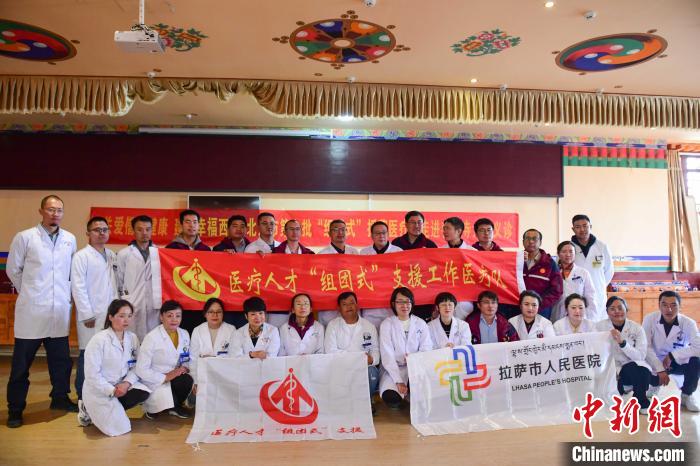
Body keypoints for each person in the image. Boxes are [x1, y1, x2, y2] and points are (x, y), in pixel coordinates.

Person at [6, 195, 78, 428]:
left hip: (58, 312)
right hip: (32, 312)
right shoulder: (25, 237)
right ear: (41, 211)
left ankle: (60, 398)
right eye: (51, 209)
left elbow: (70, 274)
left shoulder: (70, 239)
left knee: (61, 363)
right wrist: (31, 291)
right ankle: (15, 409)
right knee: (21, 367)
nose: (55, 214)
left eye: (59, 210)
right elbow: (13, 270)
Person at [80, 299, 150, 436]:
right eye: (121, 316)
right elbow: (92, 375)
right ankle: (87, 409)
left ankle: (114, 409)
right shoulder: (98, 340)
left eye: (129, 316)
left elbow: (137, 366)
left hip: (121, 385)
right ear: (110, 317)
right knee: (121, 428)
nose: (126, 320)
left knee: (143, 392)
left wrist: (126, 383)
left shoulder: (132, 338)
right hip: (100, 390)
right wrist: (111, 390)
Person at [71, 216, 118, 408]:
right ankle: (82, 396)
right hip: (91, 316)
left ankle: (103, 393)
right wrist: (86, 313)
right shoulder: (81, 256)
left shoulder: (112, 255)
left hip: (110, 314)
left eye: (105, 229)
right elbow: (78, 287)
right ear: (88, 233)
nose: (101, 233)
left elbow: (115, 285)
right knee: (88, 354)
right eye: (97, 230)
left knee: (106, 353)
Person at [135, 300, 193, 419]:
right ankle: (154, 407)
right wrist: (165, 377)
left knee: (187, 380)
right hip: (156, 381)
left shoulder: (184, 334)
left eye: (178, 316)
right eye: (170, 316)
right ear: (161, 317)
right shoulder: (151, 338)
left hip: (175, 377)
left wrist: (184, 368)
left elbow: (186, 358)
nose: (174, 319)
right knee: (157, 406)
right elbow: (141, 369)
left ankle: (174, 407)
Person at [643, 291, 700, 412]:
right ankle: (653, 388)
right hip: (656, 360)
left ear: (680, 306)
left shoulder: (688, 323)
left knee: (696, 361)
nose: (669, 309)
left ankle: (686, 395)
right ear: (659, 306)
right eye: (664, 305)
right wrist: (660, 368)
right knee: (643, 361)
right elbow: (645, 347)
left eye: (673, 305)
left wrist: (672, 355)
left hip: (678, 361)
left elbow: (698, 348)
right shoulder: (649, 319)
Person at [324, 292, 380, 412]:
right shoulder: (333, 325)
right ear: (339, 308)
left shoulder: (369, 326)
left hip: (363, 367)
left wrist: (371, 359)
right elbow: (330, 351)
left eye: (351, 303)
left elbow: (376, 351)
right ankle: (346, 403)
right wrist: (356, 357)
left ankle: (366, 403)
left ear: (357, 305)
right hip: (341, 367)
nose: (349, 307)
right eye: (344, 304)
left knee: (372, 371)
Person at [379, 287, 433, 409]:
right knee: (391, 397)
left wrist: (414, 358)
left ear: (412, 303)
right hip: (394, 368)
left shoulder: (420, 323)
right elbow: (387, 354)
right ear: (393, 304)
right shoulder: (387, 324)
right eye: (400, 302)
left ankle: (411, 394)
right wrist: (398, 381)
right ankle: (403, 394)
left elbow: (427, 348)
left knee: (422, 393)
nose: (404, 305)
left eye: (407, 301)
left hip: (416, 366)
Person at [596, 296, 652, 413]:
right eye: (612, 309)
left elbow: (640, 356)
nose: (617, 311)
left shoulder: (637, 328)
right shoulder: (598, 327)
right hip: (608, 369)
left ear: (626, 309)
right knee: (609, 401)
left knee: (642, 370)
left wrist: (623, 343)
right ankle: (623, 387)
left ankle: (641, 401)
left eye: (620, 308)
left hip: (629, 367)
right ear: (607, 312)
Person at [117, 215, 160, 341]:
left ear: (152, 230)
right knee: (132, 340)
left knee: (152, 341)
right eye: (140, 229)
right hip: (132, 302)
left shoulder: (159, 253)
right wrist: (123, 300)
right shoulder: (124, 254)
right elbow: (119, 281)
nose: (144, 233)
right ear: (133, 231)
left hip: (153, 304)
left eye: (148, 229)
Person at [189, 298, 236, 403]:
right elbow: (193, 359)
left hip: (224, 374)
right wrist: (195, 381)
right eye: (211, 312)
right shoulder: (197, 330)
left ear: (223, 314)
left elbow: (234, 357)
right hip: (203, 375)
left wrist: (212, 359)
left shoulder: (231, 330)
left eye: (219, 312)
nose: (215, 315)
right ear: (205, 314)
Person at [360, 221, 402, 329]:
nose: (381, 236)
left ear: (388, 234)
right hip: (371, 306)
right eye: (377, 233)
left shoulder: (398, 252)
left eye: (384, 233)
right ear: (372, 235)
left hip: (391, 306)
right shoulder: (363, 253)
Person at [571, 215, 614, 320]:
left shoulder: (602, 247)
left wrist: (598, 285)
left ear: (590, 226)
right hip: (575, 293)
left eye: (585, 226)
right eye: (578, 227)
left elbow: (609, 271)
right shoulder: (568, 248)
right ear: (573, 229)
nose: (582, 229)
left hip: (598, 294)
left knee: (597, 324)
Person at [318, 219, 360, 325]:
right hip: (329, 304)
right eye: (336, 230)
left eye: (343, 229)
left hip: (349, 300)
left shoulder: (354, 252)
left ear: (347, 232)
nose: (340, 233)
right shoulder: (322, 255)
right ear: (329, 233)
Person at [521, 228, 563, 320]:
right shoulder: (516, 261)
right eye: (527, 238)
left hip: (541, 311)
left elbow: (557, 290)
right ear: (523, 242)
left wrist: (539, 303)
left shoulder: (550, 263)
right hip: (518, 310)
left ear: (540, 242)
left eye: (535, 239)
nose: (531, 241)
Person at [552, 241, 598, 322]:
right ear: (558, 254)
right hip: (558, 314)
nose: (568, 254)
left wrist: (591, 318)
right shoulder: (553, 273)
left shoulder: (583, 273)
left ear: (575, 254)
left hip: (578, 314)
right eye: (564, 251)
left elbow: (590, 296)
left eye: (571, 251)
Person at [441, 217, 476, 319]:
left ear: (459, 231)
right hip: (445, 298)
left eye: (448, 228)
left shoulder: (472, 252)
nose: (444, 231)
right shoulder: (439, 251)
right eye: (444, 229)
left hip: (465, 300)